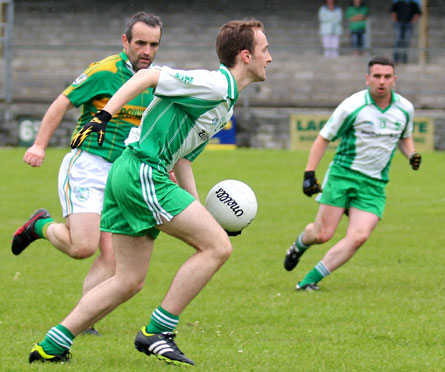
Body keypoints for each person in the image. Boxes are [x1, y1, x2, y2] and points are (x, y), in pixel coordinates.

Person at [28, 19, 272, 366]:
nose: (270, 58)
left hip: (133, 171)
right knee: (217, 247)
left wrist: (205, 210)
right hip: (143, 169)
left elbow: (183, 159)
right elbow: (147, 77)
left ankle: (52, 345)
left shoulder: (225, 103)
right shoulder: (215, 84)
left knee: (128, 280)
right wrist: (104, 115)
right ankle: (158, 332)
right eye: (265, 50)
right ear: (246, 56)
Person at [11, 12, 163, 335]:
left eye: (154, 44)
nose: (147, 50)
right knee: (83, 247)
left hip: (121, 175)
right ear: (126, 42)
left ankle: (83, 322)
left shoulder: (154, 81)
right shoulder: (104, 71)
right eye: (140, 43)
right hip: (87, 166)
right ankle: (39, 224)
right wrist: (39, 145)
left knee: (112, 257)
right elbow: (62, 102)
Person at [284, 56, 421, 291]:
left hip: (374, 184)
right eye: (377, 76)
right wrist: (309, 173)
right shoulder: (352, 106)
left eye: (387, 76)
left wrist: (411, 154)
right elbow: (324, 138)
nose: (382, 81)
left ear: (394, 80)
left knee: (359, 237)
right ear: (367, 79)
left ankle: (308, 281)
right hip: (342, 176)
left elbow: (404, 137)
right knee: (322, 234)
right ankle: (299, 245)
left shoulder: (405, 109)